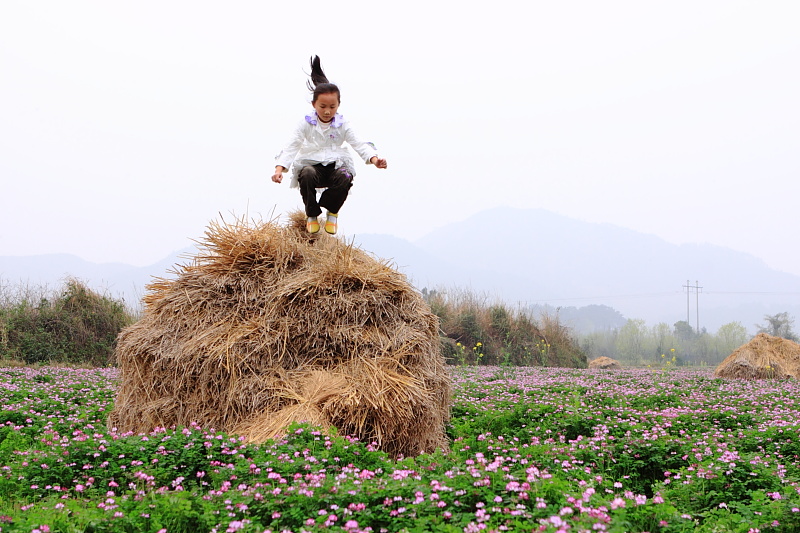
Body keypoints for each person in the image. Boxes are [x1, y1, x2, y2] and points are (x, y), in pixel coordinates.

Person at [272, 56, 388, 235]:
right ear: (314, 104)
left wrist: (374, 159)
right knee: (308, 174)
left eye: (332, 107)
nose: (327, 111)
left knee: (346, 175)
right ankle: (312, 214)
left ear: (338, 105)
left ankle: (332, 212)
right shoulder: (305, 124)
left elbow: (358, 143)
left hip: (335, 165)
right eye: (323, 106)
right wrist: (279, 169)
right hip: (312, 165)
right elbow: (292, 145)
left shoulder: (343, 124)